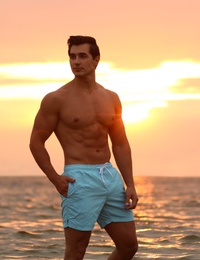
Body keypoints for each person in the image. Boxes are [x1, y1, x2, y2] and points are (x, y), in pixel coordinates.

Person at [29, 35, 138, 260]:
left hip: (109, 175)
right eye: (72, 57)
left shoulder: (111, 98)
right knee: (76, 251)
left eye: (82, 56)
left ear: (96, 60)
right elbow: (36, 142)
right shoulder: (56, 99)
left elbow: (120, 143)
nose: (76, 62)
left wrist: (130, 184)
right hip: (79, 178)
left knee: (129, 246)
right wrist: (55, 178)